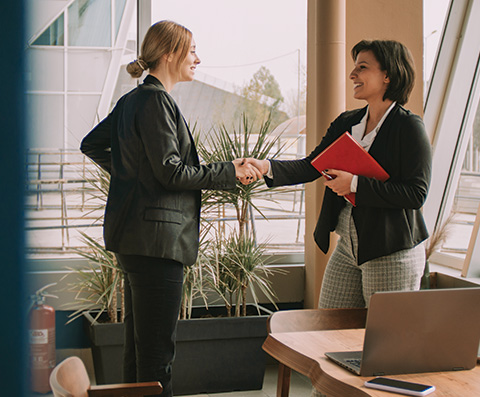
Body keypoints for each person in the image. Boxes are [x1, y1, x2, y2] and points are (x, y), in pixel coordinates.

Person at [80, 20, 260, 397]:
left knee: (138, 351)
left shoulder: (132, 100)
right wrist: (230, 170)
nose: (197, 58)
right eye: (191, 50)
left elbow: (92, 144)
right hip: (157, 244)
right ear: (169, 55)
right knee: (157, 356)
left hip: (136, 242)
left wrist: (133, 175)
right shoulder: (157, 101)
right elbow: (172, 172)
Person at [245, 39, 432, 309]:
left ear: (388, 75)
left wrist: (354, 184)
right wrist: (266, 167)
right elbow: (312, 165)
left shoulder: (409, 127)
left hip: (392, 251)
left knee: (383, 342)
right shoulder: (347, 122)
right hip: (348, 246)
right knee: (329, 330)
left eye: (362, 67)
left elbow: (416, 194)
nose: (352, 75)